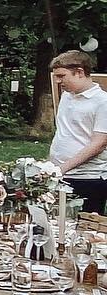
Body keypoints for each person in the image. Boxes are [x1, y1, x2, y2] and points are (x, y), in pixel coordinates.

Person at [49, 48, 107, 214]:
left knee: (84, 231)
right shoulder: (67, 96)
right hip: (60, 175)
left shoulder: (102, 102)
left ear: (79, 72)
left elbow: (99, 143)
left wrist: (62, 168)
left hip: (88, 178)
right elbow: (65, 133)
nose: (58, 81)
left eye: (62, 76)